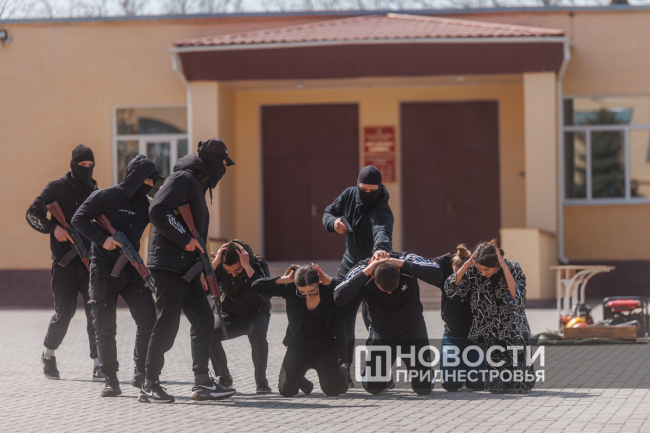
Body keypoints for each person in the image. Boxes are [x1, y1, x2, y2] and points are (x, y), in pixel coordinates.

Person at [143, 138, 237, 403]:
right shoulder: (184, 178)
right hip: (169, 266)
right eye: (223, 162)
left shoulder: (196, 182)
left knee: (204, 321)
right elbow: (157, 209)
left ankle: (202, 382)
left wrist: (204, 271)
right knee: (167, 325)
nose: (224, 168)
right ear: (211, 160)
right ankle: (149, 383)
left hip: (188, 269)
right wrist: (184, 239)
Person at [71, 154, 161, 397]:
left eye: (153, 181)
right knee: (104, 326)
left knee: (148, 319)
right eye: (148, 180)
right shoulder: (104, 197)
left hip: (132, 269)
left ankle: (141, 373)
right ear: (136, 177)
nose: (151, 185)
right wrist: (103, 239)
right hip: (103, 269)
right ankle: (110, 379)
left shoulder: (146, 205)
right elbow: (78, 219)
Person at [26, 144, 101, 381]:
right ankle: (48, 354)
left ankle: (99, 363)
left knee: (95, 312)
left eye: (90, 165)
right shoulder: (56, 188)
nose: (86, 169)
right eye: (82, 164)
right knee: (64, 313)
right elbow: (31, 214)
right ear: (73, 165)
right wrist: (53, 227)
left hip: (89, 264)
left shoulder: (96, 192)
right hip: (64, 265)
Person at [334, 252, 442, 395]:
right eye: (385, 290)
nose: (390, 293)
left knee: (424, 389)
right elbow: (338, 296)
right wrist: (367, 271)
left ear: (398, 271)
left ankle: (424, 370)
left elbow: (437, 274)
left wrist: (403, 264)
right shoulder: (364, 268)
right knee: (373, 388)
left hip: (413, 332)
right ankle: (380, 371)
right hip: (382, 335)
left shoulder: (405, 260)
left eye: (394, 288)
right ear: (373, 277)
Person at [322, 165, 393, 383]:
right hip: (349, 267)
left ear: (379, 188)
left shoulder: (382, 209)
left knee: (375, 321)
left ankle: (380, 369)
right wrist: (334, 223)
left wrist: (380, 249)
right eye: (364, 189)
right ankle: (344, 367)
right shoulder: (348, 195)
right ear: (357, 185)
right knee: (343, 318)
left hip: (374, 269)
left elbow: (381, 229)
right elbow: (328, 212)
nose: (368, 194)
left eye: (373, 190)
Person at [444, 240, 534, 394]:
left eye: (486, 269)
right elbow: (450, 289)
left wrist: (504, 267)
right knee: (496, 387)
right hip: (488, 332)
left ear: (496, 262)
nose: (483, 273)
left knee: (520, 386)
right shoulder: (474, 271)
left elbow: (518, 298)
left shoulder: (513, 268)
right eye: (480, 269)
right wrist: (467, 264)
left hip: (513, 331)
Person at [252, 265, 348, 398]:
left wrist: (331, 282)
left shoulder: (328, 290)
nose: (307, 295)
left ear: (318, 283)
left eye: (312, 291)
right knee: (286, 390)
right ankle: (301, 381)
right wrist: (284, 280)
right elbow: (256, 286)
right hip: (299, 348)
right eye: (302, 292)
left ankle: (343, 371)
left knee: (333, 390)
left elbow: (349, 292)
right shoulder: (291, 289)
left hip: (325, 349)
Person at [209, 240, 272, 394]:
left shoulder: (258, 264)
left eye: (237, 270)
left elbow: (266, 293)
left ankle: (261, 382)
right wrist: (214, 265)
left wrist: (247, 267)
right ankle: (224, 378)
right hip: (230, 314)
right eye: (228, 271)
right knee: (208, 333)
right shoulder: (219, 267)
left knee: (257, 335)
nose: (233, 274)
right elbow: (203, 289)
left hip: (256, 313)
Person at [433, 245, 485, 392]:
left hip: (476, 340)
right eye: (456, 272)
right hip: (453, 338)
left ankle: (470, 370)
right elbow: (434, 265)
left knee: (478, 385)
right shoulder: (449, 282)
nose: (460, 276)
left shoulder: (479, 281)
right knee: (451, 385)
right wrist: (457, 259)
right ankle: (461, 368)